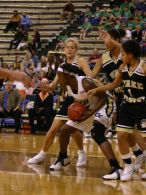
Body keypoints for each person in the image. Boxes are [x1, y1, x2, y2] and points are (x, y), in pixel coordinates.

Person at [90, 29, 146, 179]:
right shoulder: (114, 64)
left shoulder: (138, 61)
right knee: (122, 134)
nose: (121, 56)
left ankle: (140, 157)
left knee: (139, 137)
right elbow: (106, 82)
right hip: (124, 102)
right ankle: (131, 162)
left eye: (124, 54)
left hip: (141, 103)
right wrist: (95, 88)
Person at [49, 63, 122, 176]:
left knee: (97, 133)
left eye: (60, 76)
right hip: (90, 108)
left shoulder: (85, 82)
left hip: (105, 104)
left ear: (68, 76)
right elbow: (79, 99)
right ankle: (63, 157)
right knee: (64, 131)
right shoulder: (68, 86)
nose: (58, 79)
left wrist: (89, 114)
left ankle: (116, 167)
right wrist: (75, 110)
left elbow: (103, 97)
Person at [28, 37, 92, 166]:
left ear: (76, 50)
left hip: (80, 99)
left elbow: (91, 78)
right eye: (67, 47)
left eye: (72, 47)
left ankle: (81, 153)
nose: (69, 49)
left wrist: (81, 87)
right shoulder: (62, 66)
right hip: (68, 99)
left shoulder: (80, 61)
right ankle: (42, 154)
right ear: (64, 49)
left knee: (73, 129)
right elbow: (53, 85)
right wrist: (43, 85)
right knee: (54, 129)